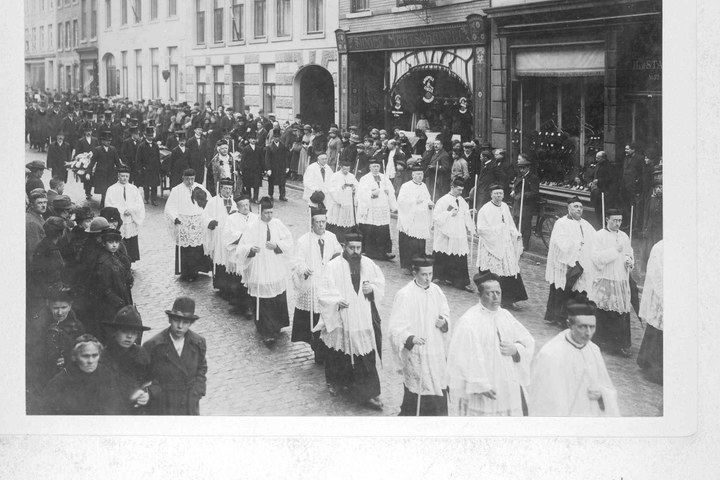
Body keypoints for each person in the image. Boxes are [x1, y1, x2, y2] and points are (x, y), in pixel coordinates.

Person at [446, 272, 535, 416]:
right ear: (479, 295)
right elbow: (461, 357)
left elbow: (527, 341)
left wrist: (516, 350)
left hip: (506, 385)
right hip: (482, 389)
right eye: (490, 293)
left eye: (498, 292)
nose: (495, 297)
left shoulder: (505, 315)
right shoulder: (469, 322)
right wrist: (480, 384)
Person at [317, 229, 385, 410]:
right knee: (338, 352)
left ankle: (368, 392)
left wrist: (372, 289)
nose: (355, 251)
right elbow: (324, 290)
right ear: (344, 247)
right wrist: (336, 301)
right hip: (341, 316)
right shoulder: (333, 266)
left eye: (358, 248)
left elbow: (380, 283)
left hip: (361, 315)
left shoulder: (368, 264)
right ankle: (336, 382)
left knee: (364, 352)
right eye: (352, 248)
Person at [529, 300, 620, 416]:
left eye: (592, 327)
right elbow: (542, 400)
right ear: (569, 324)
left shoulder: (593, 350)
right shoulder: (551, 354)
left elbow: (607, 386)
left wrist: (602, 395)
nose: (588, 333)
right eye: (582, 327)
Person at [389, 256, 451, 416]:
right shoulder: (405, 294)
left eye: (430, 274)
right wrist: (409, 338)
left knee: (437, 384)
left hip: (434, 348)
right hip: (416, 350)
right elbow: (395, 327)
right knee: (417, 388)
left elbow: (445, 312)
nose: (428, 278)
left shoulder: (436, 291)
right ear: (414, 273)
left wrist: (443, 322)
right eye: (423, 274)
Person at [234, 197, 293, 344]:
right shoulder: (253, 226)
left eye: (271, 212)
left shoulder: (277, 224)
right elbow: (241, 247)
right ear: (260, 212)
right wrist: (250, 249)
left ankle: (277, 325)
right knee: (263, 299)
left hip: (275, 266)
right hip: (259, 266)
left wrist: (277, 245)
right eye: (266, 213)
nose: (269, 216)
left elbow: (289, 241)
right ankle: (265, 329)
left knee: (277, 296)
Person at [291, 207, 343, 364]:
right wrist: (303, 269)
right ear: (312, 224)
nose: (321, 225)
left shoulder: (332, 237)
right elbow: (296, 262)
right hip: (312, 284)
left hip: (328, 283)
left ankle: (326, 349)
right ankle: (316, 348)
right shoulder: (304, 240)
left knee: (328, 317)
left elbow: (339, 254)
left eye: (323, 222)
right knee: (313, 320)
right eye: (318, 222)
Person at [143, 297, 208, 415]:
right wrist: (152, 392)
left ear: (191, 323)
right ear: (170, 320)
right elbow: (145, 376)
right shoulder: (154, 346)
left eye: (185, 322)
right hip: (164, 404)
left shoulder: (198, 343)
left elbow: (201, 368)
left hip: (189, 404)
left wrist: (198, 391)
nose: (180, 326)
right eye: (176, 320)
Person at [544, 196, 597, 327]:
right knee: (562, 288)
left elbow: (595, 240)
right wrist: (577, 245)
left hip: (581, 262)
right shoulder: (561, 223)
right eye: (575, 206)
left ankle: (570, 317)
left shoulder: (586, 224)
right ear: (569, 208)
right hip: (565, 262)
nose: (579, 209)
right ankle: (558, 317)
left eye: (580, 207)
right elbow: (560, 242)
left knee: (577, 290)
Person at [589, 209, 634, 357]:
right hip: (605, 277)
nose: (617, 223)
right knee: (603, 310)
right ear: (606, 219)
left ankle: (619, 344)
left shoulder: (624, 236)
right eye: (614, 220)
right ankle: (601, 342)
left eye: (620, 220)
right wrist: (615, 251)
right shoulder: (599, 236)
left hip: (620, 278)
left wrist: (629, 261)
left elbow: (629, 253)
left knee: (619, 310)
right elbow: (597, 259)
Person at [41, 334, 124, 415]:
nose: (90, 361)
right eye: (85, 356)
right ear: (74, 357)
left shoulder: (106, 374)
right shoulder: (60, 382)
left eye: (95, 355)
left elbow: (116, 407)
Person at [475, 184, 528, 309]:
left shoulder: (504, 207)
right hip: (491, 245)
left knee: (509, 270)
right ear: (491, 195)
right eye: (496, 193)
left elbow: (509, 223)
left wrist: (516, 233)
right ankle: (491, 297)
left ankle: (509, 299)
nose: (499, 196)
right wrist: (498, 229)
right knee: (495, 272)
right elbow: (481, 229)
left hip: (505, 244)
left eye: (501, 193)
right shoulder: (485, 209)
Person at [100, 305, 152, 413]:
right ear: (115, 332)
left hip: (137, 410)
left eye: (134, 333)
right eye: (125, 331)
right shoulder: (103, 356)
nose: (129, 336)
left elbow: (149, 381)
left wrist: (147, 394)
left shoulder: (141, 353)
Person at [164, 169, 211, 281]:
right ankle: (187, 273)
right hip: (184, 222)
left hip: (197, 221)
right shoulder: (177, 190)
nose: (190, 182)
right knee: (187, 249)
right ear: (183, 178)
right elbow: (170, 207)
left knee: (198, 247)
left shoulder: (200, 187)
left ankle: (199, 269)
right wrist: (175, 218)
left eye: (192, 179)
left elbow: (208, 202)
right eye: (187, 179)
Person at [432, 177, 476, 292]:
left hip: (458, 232)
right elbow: (436, 217)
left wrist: (469, 215)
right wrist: (449, 213)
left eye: (462, 190)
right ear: (452, 187)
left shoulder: (462, 201)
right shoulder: (443, 200)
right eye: (458, 190)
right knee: (443, 251)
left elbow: (465, 214)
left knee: (459, 254)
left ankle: (461, 281)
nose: (461, 193)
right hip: (446, 233)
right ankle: (439, 276)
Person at [89, 228, 134, 338]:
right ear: (104, 244)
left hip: (123, 296)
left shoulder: (117, 256)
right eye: (110, 242)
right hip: (113, 303)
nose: (114, 245)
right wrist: (118, 301)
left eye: (116, 242)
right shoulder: (103, 262)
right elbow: (105, 287)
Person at [222, 194, 259, 316]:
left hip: (253, 253)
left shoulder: (256, 217)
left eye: (247, 205)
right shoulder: (232, 218)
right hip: (239, 251)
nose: (245, 208)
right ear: (237, 207)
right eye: (242, 206)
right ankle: (242, 305)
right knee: (240, 278)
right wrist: (242, 237)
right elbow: (228, 234)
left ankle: (253, 304)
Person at [357, 158, 398, 261]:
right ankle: (370, 252)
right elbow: (361, 193)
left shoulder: (384, 178)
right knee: (371, 229)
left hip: (383, 206)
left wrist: (389, 195)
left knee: (383, 229)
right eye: (373, 166)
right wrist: (371, 193)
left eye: (377, 166)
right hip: (371, 207)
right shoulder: (365, 179)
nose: (376, 168)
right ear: (370, 167)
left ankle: (384, 252)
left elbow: (391, 191)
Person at [104, 165, 146, 263]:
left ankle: (129, 262)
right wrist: (119, 212)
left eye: (126, 176)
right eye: (122, 176)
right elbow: (108, 204)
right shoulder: (112, 189)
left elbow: (139, 203)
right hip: (119, 219)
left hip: (130, 219)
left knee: (130, 241)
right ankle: (118, 262)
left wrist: (131, 210)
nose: (124, 178)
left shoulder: (133, 188)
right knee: (119, 240)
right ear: (118, 176)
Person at [396, 165, 434, 273]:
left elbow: (427, 199)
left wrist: (430, 204)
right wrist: (414, 201)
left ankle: (418, 265)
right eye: (417, 174)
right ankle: (407, 266)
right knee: (409, 244)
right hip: (410, 219)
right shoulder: (406, 186)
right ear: (412, 175)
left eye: (421, 174)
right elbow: (401, 201)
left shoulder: (424, 186)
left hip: (421, 219)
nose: (420, 176)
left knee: (420, 244)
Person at [203, 178, 237, 297]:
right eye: (225, 189)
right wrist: (210, 222)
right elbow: (205, 216)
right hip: (218, 235)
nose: (228, 192)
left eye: (230, 189)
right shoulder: (213, 202)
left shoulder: (234, 203)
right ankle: (220, 285)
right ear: (220, 189)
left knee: (229, 259)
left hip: (230, 236)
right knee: (219, 258)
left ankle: (229, 286)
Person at [637, 240, 663, 385]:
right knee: (657, 329)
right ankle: (652, 367)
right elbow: (656, 273)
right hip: (660, 296)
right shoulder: (659, 248)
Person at [27, 217, 67, 315]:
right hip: (46, 294)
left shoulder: (43, 244)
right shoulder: (52, 251)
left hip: (38, 290)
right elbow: (54, 274)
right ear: (60, 233)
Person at [510, 154, 540, 251]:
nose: (522, 170)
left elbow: (534, 192)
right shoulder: (519, 176)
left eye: (524, 168)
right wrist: (514, 191)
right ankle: (515, 242)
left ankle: (524, 244)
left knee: (525, 225)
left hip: (527, 205)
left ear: (528, 168)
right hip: (517, 204)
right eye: (520, 168)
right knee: (515, 222)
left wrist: (522, 195)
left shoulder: (533, 178)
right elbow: (516, 186)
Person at [87, 130, 124, 207]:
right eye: (106, 141)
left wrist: (122, 171)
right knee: (103, 189)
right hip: (101, 174)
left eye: (109, 141)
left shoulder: (113, 149)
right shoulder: (97, 149)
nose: (108, 142)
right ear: (102, 141)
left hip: (111, 173)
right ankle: (103, 203)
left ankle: (109, 203)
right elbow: (92, 162)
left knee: (110, 189)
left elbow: (117, 162)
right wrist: (88, 172)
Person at [326, 159, 358, 241]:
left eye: (348, 169)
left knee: (346, 222)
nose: (346, 171)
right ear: (340, 167)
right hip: (338, 203)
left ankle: (345, 239)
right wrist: (340, 189)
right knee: (336, 221)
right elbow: (331, 189)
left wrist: (354, 189)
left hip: (348, 203)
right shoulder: (335, 176)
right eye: (344, 169)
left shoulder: (351, 176)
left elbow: (357, 187)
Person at [135, 126, 162, 206]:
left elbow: (158, 157)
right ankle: (146, 198)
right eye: (149, 136)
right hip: (145, 168)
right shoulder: (141, 146)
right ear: (145, 136)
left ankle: (154, 199)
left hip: (154, 168)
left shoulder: (155, 145)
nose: (151, 137)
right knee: (146, 185)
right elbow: (138, 158)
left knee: (154, 185)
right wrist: (139, 168)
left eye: (151, 136)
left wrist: (159, 167)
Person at [265, 129, 290, 201]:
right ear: (273, 138)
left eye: (278, 137)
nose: (277, 138)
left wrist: (287, 166)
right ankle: (270, 195)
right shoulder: (269, 147)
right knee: (271, 182)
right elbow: (267, 159)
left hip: (281, 167)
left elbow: (286, 157)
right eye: (275, 137)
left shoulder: (283, 146)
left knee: (282, 182)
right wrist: (268, 168)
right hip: (273, 167)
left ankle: (282, 195)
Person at [26, 188, 47, 265]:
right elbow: (33, 251)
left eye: (45, 202)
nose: (44, 205)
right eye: (40, 203)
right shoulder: (32, 223)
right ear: (32, 205)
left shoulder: (37, 216)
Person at [240, 135, 263, 203]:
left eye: (255, 139)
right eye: (252, 139)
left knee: (256, 185)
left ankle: (255, 198)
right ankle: (249, 197)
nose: (253, 140)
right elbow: (243, 159)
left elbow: (261, 159)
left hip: (257, 170)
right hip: (248, 170)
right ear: (249, 140)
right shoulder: (246, 149)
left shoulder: (259, 149)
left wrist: (263, 169)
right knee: (248, 184)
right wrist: (241, 169)